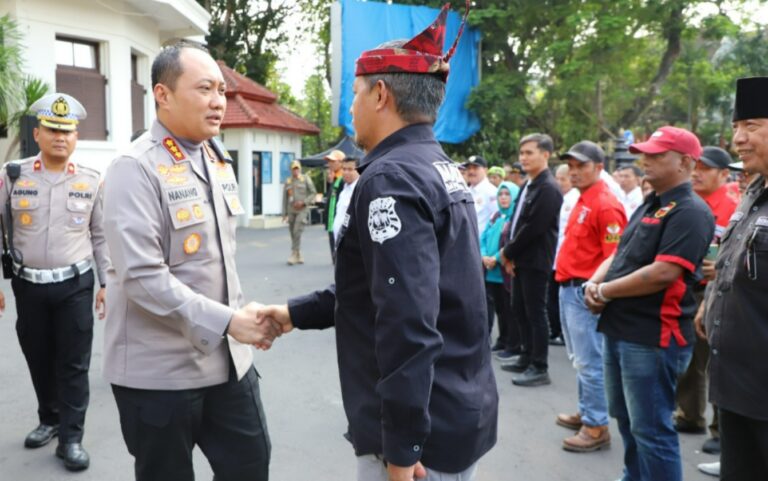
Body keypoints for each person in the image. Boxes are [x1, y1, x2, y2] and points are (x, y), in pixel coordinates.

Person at [260, 5, 498, 480]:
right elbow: (387, 287)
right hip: (456, 408)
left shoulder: (391, 178)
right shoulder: (437, 166)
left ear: (381, 94)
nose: (350, 108)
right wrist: (293, 313)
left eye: (354, 94)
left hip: (422, 437)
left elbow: (408, 321)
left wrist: (404, 447)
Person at [101, 42, 279, 481]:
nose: (219, 100)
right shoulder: (134, 167)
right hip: (160, 375)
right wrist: (227, 320)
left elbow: (218, 262)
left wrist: (238, 320)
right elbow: (141, 277)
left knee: (251, 466)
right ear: (163, 94)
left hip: (230, 364)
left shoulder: (218, 160)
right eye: (205, 89)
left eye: (221, 89)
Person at [585, 125, 714, 481]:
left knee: (652, 431)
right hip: (621, 328)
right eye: (645, 153)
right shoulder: (651, 203)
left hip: (653, 337)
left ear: (686, 162)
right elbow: (622, 252)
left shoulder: (690, 210)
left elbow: (663, 273)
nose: (645, 160)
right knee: (628, 422)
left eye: (657, 155)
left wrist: (605, 292)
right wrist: (596, 283)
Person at [0, 93, 109, 471]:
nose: (61, 136)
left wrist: (106, 284)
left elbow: (100, 235)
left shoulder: (91, 180)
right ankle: (49, 419)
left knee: (74, 363)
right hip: (27, 286)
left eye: (68, 131)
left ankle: (71, 438)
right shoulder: (14, 175)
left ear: (76, 136)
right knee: (38, 356)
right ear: (38, 132)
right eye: (53, 129)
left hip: (75, 285)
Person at [702, 76, 768, 480]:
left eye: (753, 127)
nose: (739, 140)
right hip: (735, 383)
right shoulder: (753, 191)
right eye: (735, 129)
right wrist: (711, 302)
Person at [554, 141, 627, 452]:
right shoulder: (583, 199)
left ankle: (596, 426)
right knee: (580, 360)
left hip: (584, 292)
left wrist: (595, 291)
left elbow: (614, 257)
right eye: (571, 166)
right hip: (567, 287)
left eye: (581, 166)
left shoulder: (606, 204)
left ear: (599, 168)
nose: (574, 171)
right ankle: (587, 411)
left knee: (590, 361)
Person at [674, 146, 737, 451]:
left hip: (716, 291)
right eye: (695, 166)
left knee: (716, 361)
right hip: (690, 286)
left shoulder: (734, 206)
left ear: (725, 174)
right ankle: (690, 414)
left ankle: (720, 430)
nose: (697, 173)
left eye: (706, 168)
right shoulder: (692, 202)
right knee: (692, 358)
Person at [500, 133, 563, 386]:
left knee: (535, 312)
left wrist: (508, 252)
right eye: (521, 153)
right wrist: (510, 254)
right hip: (520, 259)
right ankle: (526, 355)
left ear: (545, 155)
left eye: (529, 153)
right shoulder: (530, 183)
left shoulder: (548, 187)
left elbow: (534, 227)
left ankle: (539, 366)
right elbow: (517, 220)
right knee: (520, 309)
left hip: (535, 260)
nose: (523, 158)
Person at [481, 181, 519, 356]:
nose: (503, 198)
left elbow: (512, 242)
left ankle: (513, 345)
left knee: (510, 311)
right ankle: (502, 340)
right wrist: (483, 256)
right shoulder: (496, 216)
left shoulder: (515, 217)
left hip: (504, 270)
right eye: (501, 194)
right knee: (499, 311)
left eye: (507, 194)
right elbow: (483, 238)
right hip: (491, 272)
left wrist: (495, 258)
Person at [548, 163, 579, 347]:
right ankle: (556, 330)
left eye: (563, 179)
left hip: (565, 258)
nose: (560, 182)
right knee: (552, 298)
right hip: (556, 255)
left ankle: (560, 332)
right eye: (557, 179)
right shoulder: (563, 197)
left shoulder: (573, 199)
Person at [282, 159, 317, 265]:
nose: (295, 171)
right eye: (293, 169)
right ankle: (298, 253)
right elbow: (284, 199)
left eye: (297, 168)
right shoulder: (288, 181)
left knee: (297, 230)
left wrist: (304, 202)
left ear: (300, 169)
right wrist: (284, 214)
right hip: (291, 210)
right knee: (293, 232)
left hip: (302, 209)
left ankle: (293, 253)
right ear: (291, 170)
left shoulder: (305, 179)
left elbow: (313, 193)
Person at [465, 155, 498, 233]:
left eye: (475, 168)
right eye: (469, 168)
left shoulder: (491, 191)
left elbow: (497, 219)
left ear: (485, 170)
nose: (471, 172)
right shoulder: (467, 190)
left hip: (482, 242)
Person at [323, 149, 346, 261]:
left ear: (341, 163)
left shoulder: (345, 180)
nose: (329, 164)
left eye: (333, 161)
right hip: (332, 222)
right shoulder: (335, 178)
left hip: (340, 222)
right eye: (329, 161)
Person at [332, 156, 360, 242]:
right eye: (344, 169)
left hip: (351, 244)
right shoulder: (344, 190)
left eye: (350, 169)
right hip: (339, 242)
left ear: (358, 170)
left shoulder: (360, 190)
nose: (346, 172)